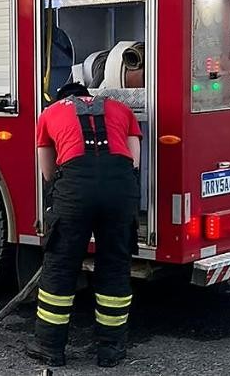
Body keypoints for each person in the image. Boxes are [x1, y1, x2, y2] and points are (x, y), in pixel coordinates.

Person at [29, 82, 141, 368]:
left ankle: (49, 348)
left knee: (61, 266)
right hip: (120, 190)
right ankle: (111, 351)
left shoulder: (50, 113)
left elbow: (48, 172)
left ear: (62, 97)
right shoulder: (121, 109)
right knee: (115, 265)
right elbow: (134, 162)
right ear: (88, 94)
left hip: (75, 191)